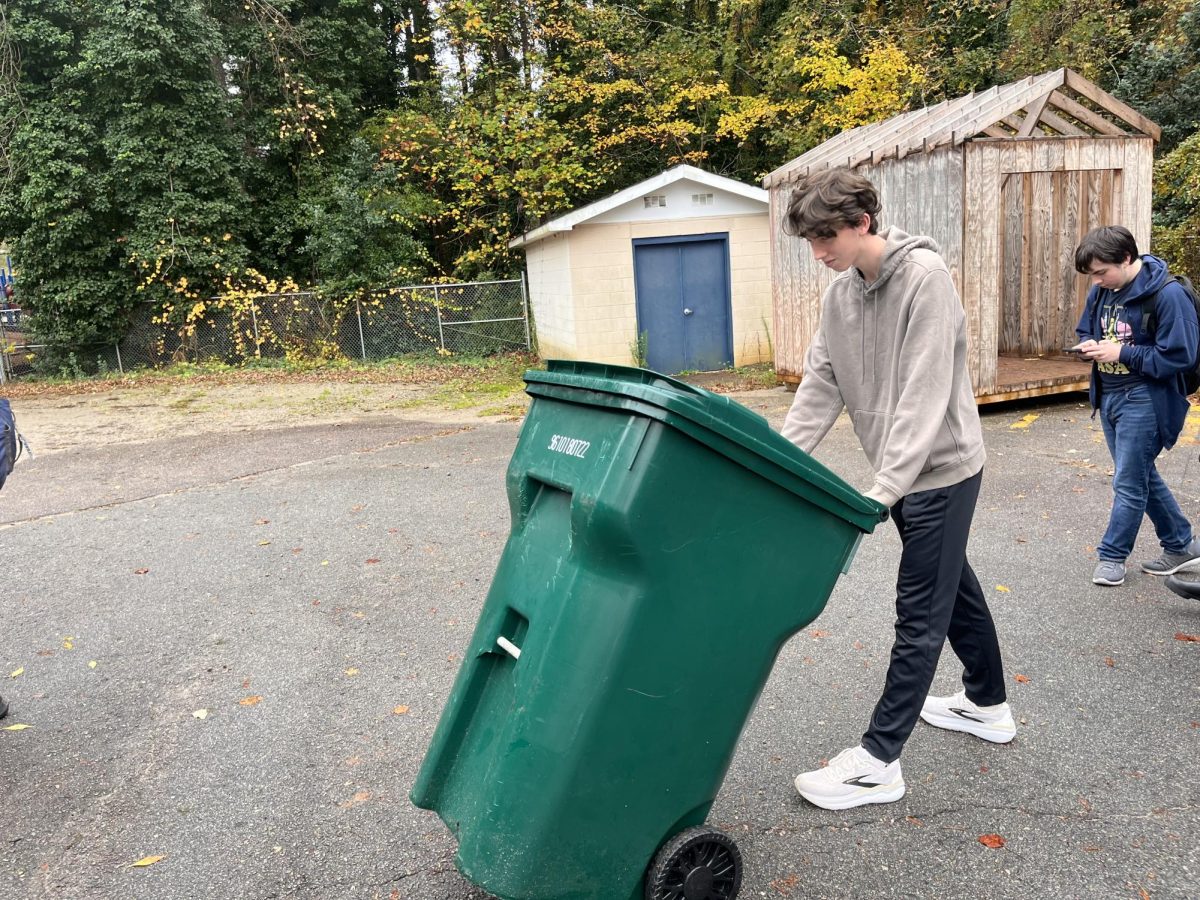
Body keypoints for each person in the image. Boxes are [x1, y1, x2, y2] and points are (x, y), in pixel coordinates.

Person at [779, 167, 1013, 811]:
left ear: (863, 222)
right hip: (903, 473)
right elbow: (820, 385)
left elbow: (923, 396)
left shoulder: (925, 280)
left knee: (920, 611)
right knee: (953, 585)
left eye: (828, 235)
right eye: (810, 239)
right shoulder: (839, 295)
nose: (819, 249)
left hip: (941, 470)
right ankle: (988, 704)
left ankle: (879, 762)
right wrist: (776, 462)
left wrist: (881, 492)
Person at [1071, 225, 1200, 587]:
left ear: (1127, 258)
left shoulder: (1168, 295)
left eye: (1101, 272)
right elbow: (1085, 330)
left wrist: (1121, 352)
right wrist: (1089, 346)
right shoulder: (1102, 292)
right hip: (1109, 395)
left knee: (1128, 481)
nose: (1096, 281)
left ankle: (1112, 556)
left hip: (1146, 399)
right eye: (1091, 274)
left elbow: (1180, 356)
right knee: (1141, 474)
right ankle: (1179, 544)